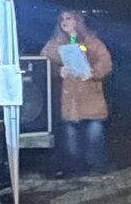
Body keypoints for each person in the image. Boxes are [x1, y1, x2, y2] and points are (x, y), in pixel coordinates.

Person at [41, 11, 114, 175]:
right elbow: (43, 61)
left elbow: (105, 62)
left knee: (94, 135)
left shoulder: (92, 42)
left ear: (77, 21)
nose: (64, 22)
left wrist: (93, 73)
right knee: (71, 137)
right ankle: (76, 169)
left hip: (90, 94)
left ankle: (97, 167)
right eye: (61, 20)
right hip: (69, 98)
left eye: (68, 19)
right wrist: (58, 71)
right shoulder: (55, 44)